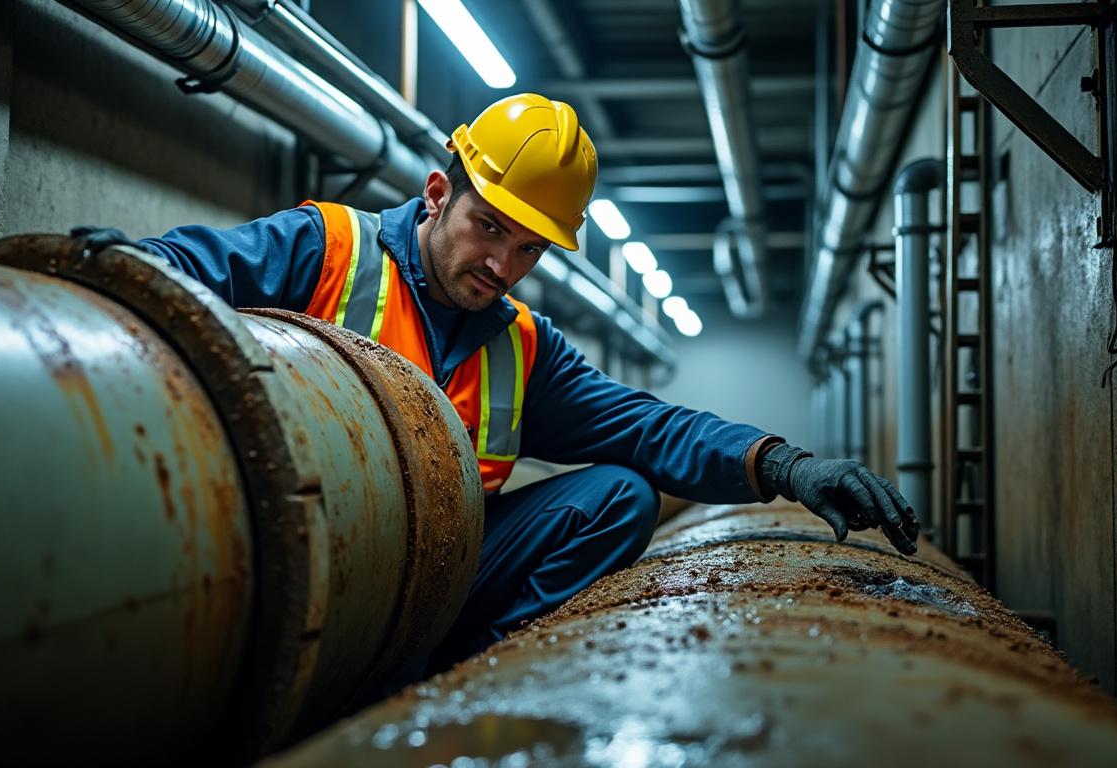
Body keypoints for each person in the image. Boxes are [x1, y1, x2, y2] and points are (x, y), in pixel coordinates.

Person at [119, 93, 918, 668]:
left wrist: (787, 467)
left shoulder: (522, 346)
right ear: (439, 194)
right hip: (295, 554)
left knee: (620, 494)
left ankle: (469, 673)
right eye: (489, 227)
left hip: (431, 583)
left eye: (530, 248)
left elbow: (648, 428)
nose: (502, 265)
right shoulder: (326, 248)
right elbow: (188, 266)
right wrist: (114, 272)